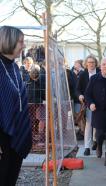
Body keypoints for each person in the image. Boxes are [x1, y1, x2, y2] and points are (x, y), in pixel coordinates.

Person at [0, 26, 32, 186]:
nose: (24, 45)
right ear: (8, 41)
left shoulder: (13, 66)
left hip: (16, 134)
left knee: (10, 180)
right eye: (21, 41)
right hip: (3, 138)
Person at [76, 55, 100, 155]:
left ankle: (95, 140)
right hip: (88, 102)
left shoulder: (100, 73)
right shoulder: (83, 74)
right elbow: (77, 89)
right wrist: (80, 95)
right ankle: (87, 147)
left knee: (97, 124)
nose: (91, 64)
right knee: (89, 124)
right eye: (89, 62)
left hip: (99, 103)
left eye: (93, 62)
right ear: (86, 64)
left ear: (96, 63)